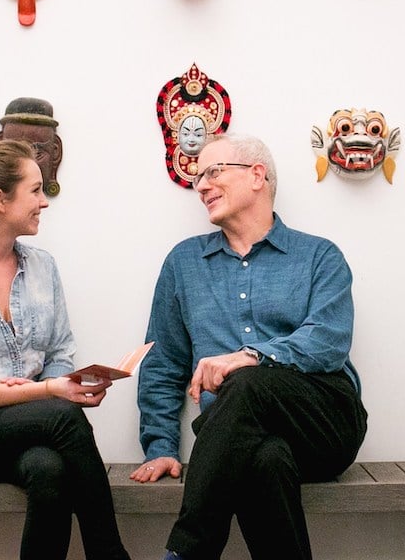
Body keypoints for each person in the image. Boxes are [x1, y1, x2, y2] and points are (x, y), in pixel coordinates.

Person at [132, 134, 368, 560]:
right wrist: (162, 447)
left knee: (245, 383)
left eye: (213, 172)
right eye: (197, 176)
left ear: (257, 175)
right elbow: (164, 364)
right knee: (266, 459)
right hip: (242, 439)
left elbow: (328, 340)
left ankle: (184, 553)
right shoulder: (183, 263)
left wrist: (250, 356)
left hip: (323, 419)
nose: (200, 185)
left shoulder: (319, 256)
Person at [0, 140, 130, 560]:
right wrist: (49, 392)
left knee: (49, 470)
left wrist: (67, 382)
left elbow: (60, 352)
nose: (43, 201)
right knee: (63, 417)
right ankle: (109, 553)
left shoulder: (43, 267)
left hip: (33, 426)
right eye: (35, 190)